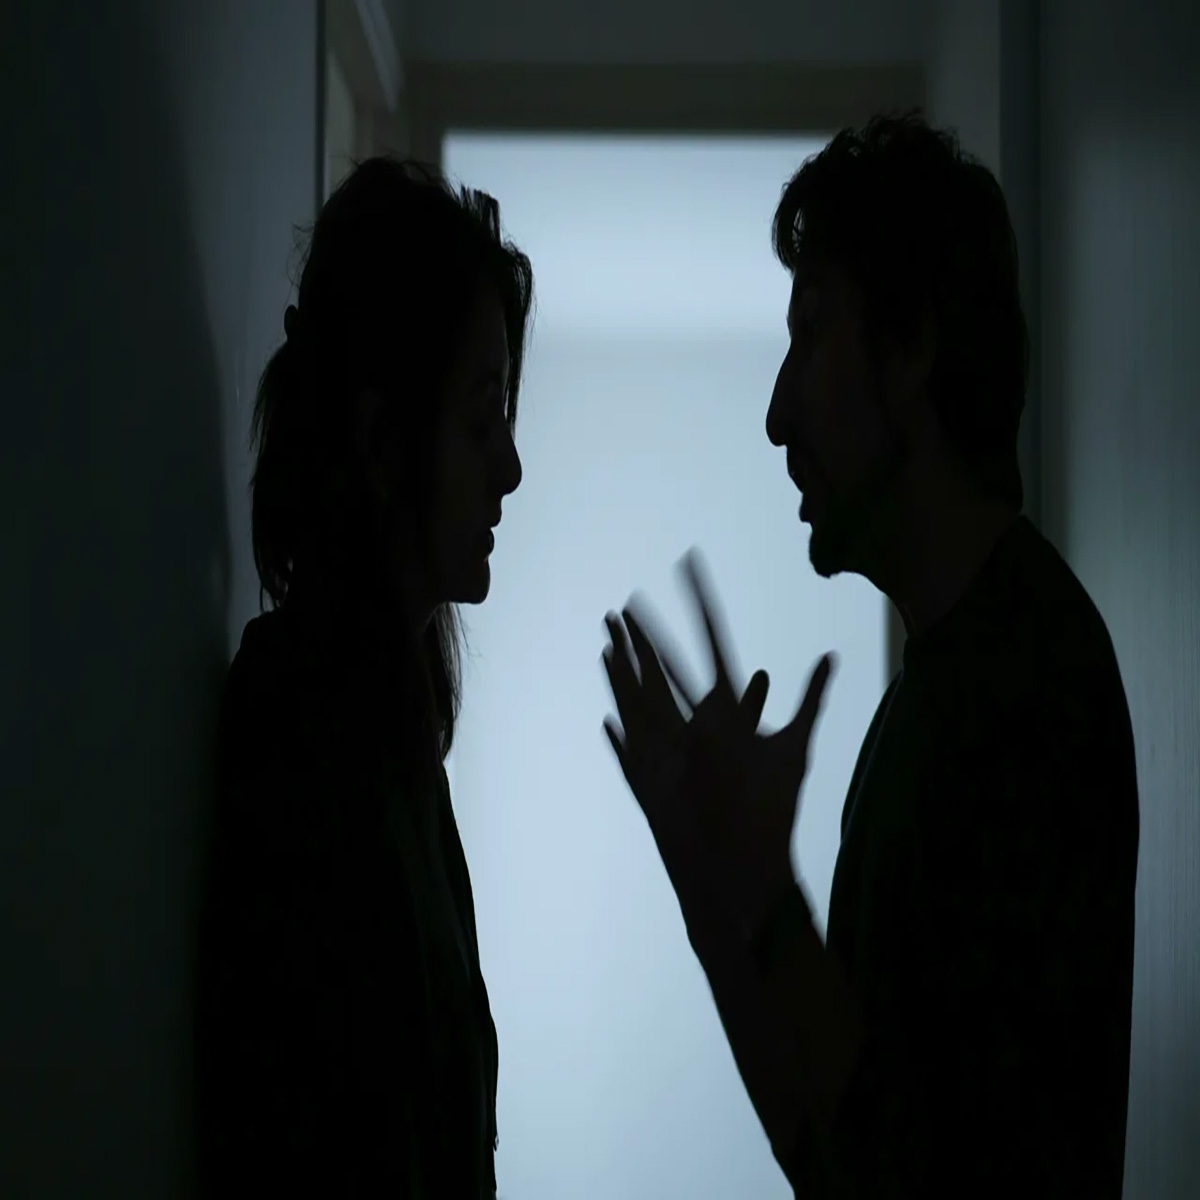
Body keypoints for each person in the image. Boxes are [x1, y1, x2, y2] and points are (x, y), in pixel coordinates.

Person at [602, 112, 1139, 1198]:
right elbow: (831, 1146)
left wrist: (761, 889)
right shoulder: (940, 687)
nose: (776, 414)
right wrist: (714, 885)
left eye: (812, 334)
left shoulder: (1030, 685)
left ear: (910, 348)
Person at [194, 158, 531, 1197]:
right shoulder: (302, 732)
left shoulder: (391, 738)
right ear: (383, 439)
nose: (510, 467)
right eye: (480, 418)